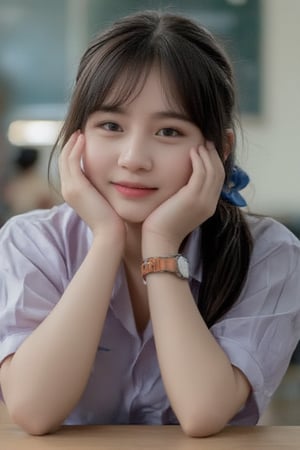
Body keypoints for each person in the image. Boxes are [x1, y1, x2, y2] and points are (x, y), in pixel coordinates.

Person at [0, 10, 299, 437]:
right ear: (76, 136)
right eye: (110, 125)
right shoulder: (29, 242)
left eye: (169, 132)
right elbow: (33, 409)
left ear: (219, 149)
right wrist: (106, 240)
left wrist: (161, 246)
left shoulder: (269, 253)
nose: (133, 158)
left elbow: (202, 412)